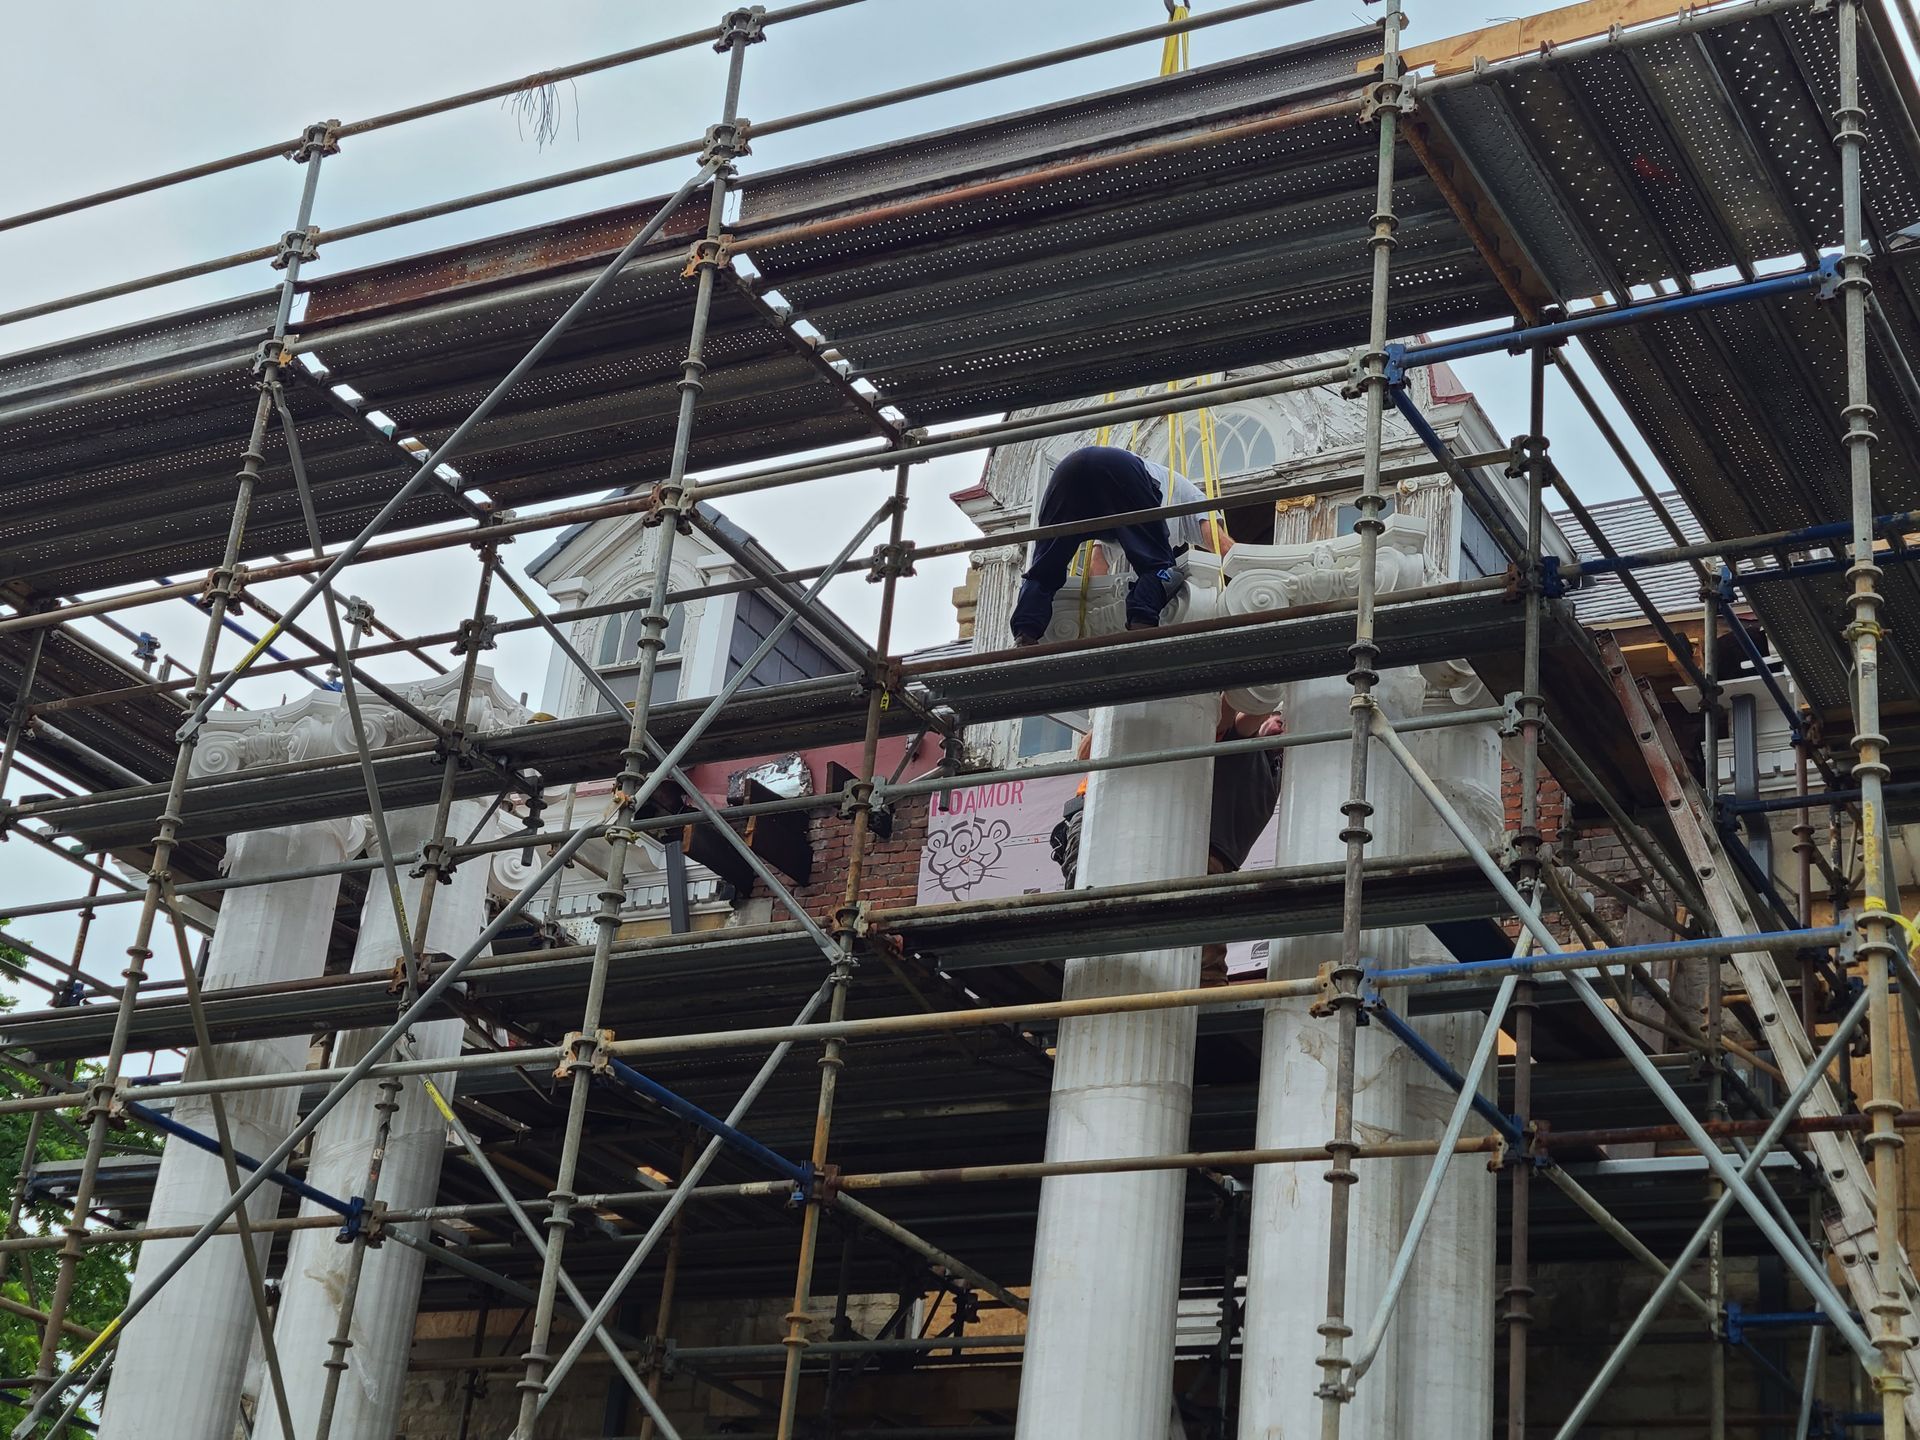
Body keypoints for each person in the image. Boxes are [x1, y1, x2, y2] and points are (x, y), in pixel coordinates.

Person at [1048, 699, 1283, 985]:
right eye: (1277, 715)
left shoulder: (1277, 767)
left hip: (1207, 860)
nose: (1280, 722)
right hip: (1148, 837)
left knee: (1203, 958)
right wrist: (1252, 692)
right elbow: (1243, 710)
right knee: (1110, 931)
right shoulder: (1235, 734)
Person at [1010, 445, 1231, 646]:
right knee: (1162, 570)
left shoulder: (1123, 525)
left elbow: (1098, 564)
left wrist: (1096, 616)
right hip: (1119, 468)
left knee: (1044, 568)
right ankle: (1141, 623)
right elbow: (1219, 540)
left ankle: (1025, 633)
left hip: (1068, 470)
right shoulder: (1186, 492)